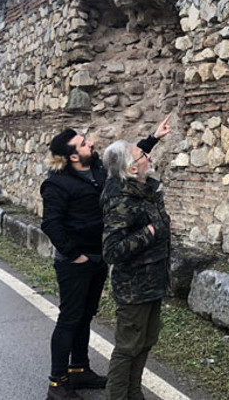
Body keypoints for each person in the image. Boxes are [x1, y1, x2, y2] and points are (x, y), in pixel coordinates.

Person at [41, 115, 172, 400]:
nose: (90, 143)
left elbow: (124, 160)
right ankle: (57, 382)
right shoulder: (58, 184)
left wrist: (152, 139)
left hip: (97, 258)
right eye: (83, 143)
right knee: (70, 318)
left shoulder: (98, 169)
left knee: (86, 315)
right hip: (74, 262)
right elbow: (50, 224)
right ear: (73, 156)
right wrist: (75, 256)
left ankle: (79, 369)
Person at [100, 139, 172, 400]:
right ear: (131, 169)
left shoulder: (142, 190)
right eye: (143, 154)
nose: (148, 157)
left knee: (145, 341)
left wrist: (153, 136)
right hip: (133, 288)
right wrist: (149, 232)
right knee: (128, 347)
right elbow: (112, 250)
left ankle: (133, 392)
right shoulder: (121, 200)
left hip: (152, 282)